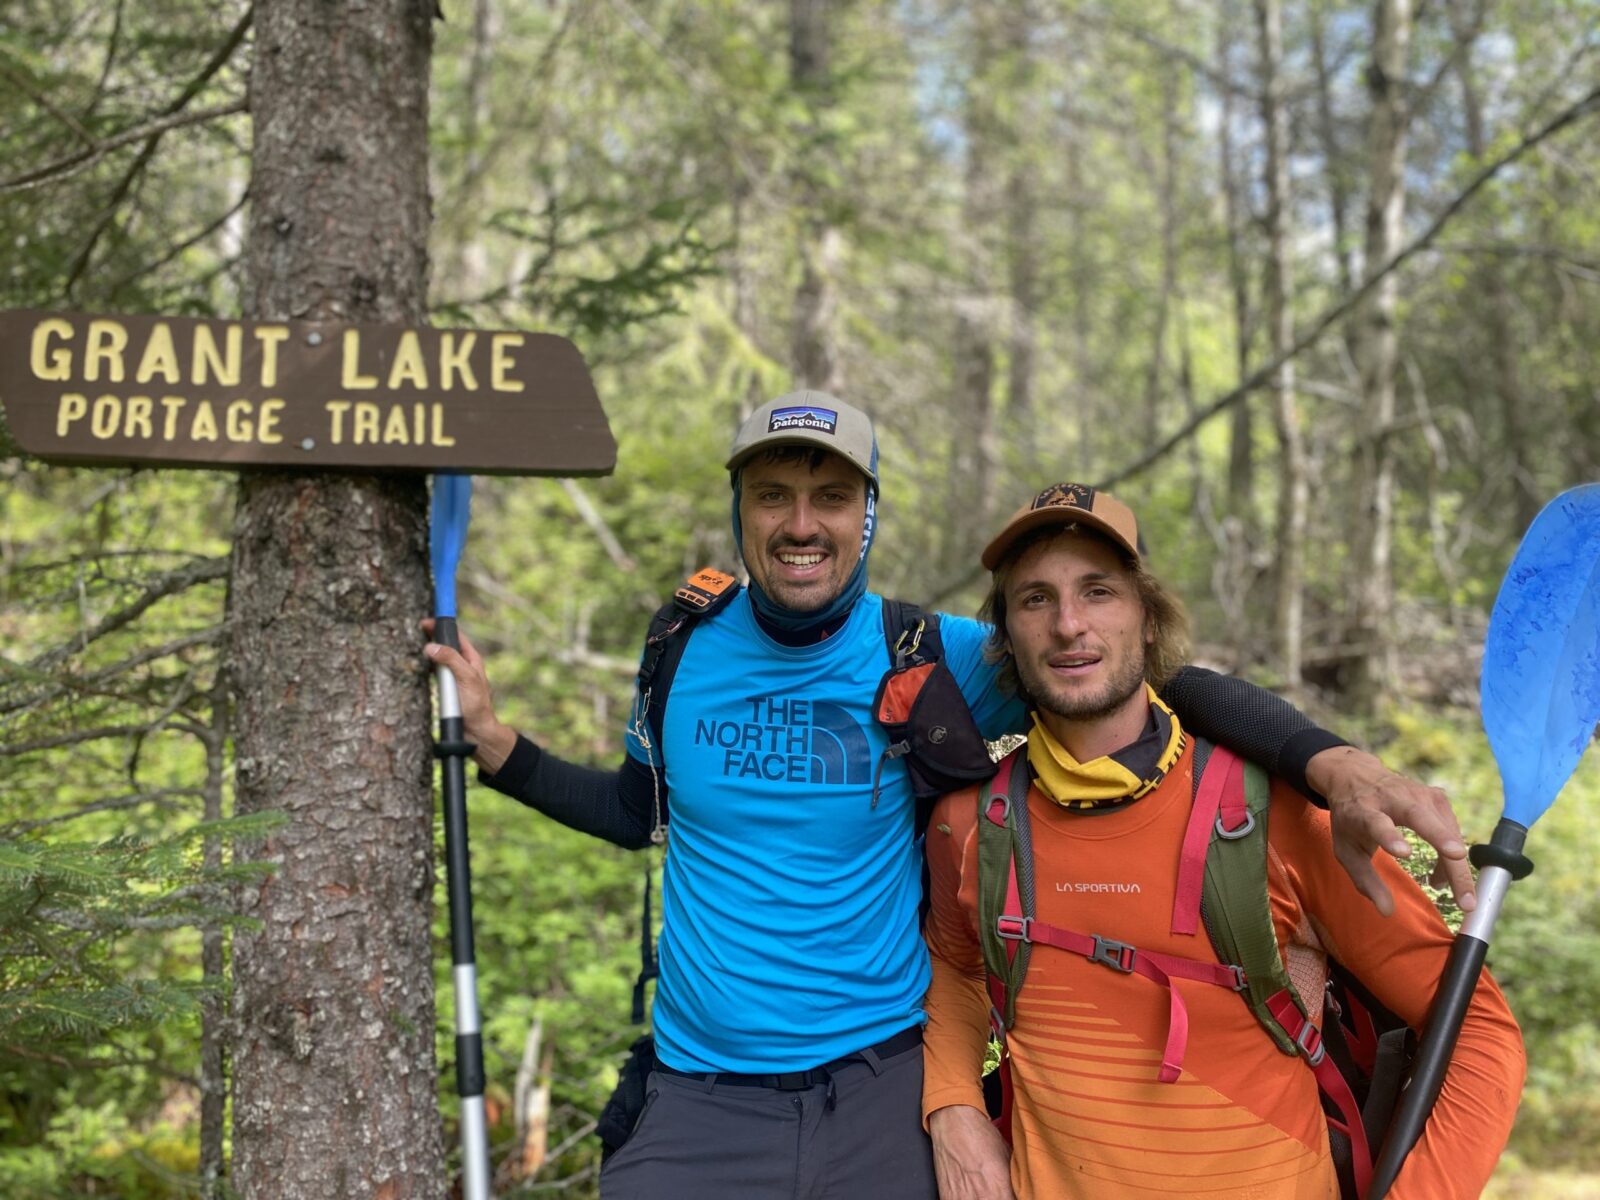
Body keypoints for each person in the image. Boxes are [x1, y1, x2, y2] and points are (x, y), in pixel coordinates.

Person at [423, 392, 1477, 1199]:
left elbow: (1142, 680)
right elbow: (628, 811)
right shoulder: (680, 642)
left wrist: (1330, 762)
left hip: (880, 1091)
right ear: (740, 510)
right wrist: (495, 742)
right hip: (697, 1096)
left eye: (830, 494)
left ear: (866, 512)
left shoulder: (931, 650)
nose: (802, 522)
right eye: (773, 494)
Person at [920, 482, 1525, 1200]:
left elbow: (1479, 1031)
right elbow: (954, 973)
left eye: (1099, 592)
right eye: (1035, 599)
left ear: (1147, 620)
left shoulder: (1277, 818)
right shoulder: (972, 827)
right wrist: (954, 1104)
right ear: (1009, 635)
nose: (1068, 624)